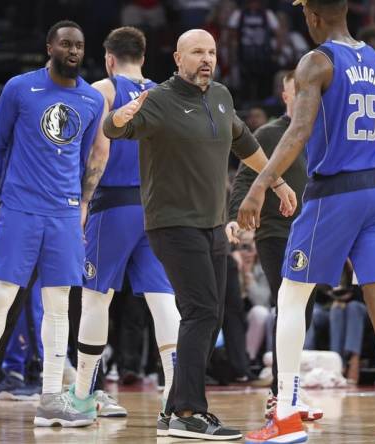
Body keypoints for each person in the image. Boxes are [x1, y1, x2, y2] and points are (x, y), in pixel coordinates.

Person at [237, 1, 375, 443]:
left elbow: (298, 131)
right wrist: (374, 171)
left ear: (312, 17)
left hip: (337, 190)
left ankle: (284, 415)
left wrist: (259, 185)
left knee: (292, 295)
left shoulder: (316, 61)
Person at [103, 29, 296, 440]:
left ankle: (175, 407)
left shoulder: (222, 96)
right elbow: (114, 129)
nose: (206, 58)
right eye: (197, 52)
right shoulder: (158, 100)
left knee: (213, 314)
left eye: (211, 52)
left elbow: (244, 144)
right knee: (201, 312)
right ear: (178, 58)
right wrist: (117, 118)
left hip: (212, 225)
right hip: (172, 223)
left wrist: (276, 183)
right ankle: (189, 411)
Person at [0, 20, 105, 429]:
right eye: (65, 44)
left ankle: (51, 398)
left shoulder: (92, 99)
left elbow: (83, 157)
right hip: (19, 209)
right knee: (2, 297)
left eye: (79, 45)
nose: (73, 51)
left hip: (63, 213)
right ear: (49, 47)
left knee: (58, 306)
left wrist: (80, 206)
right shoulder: (20, 88)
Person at [70, 26, 181, 426]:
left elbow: (99, 149)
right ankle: (175, 394)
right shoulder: (163, 92)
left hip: (113, 204)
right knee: (162, 298)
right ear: (144, 57)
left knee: (96, 297)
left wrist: (83, 201)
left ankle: (82, 395)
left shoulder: (103, 89)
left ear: (110, 59)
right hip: (156, 207)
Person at [227, 71, 321, 422]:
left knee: (304, 313)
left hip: (314, 234)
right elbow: (245, 180)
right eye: (297, 92)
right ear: (285, 96)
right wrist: (234, 217)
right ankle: (279, 396)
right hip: (277, 233)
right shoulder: (268, 134)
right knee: (290, 307)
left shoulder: (320, 135)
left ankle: (288, 391)